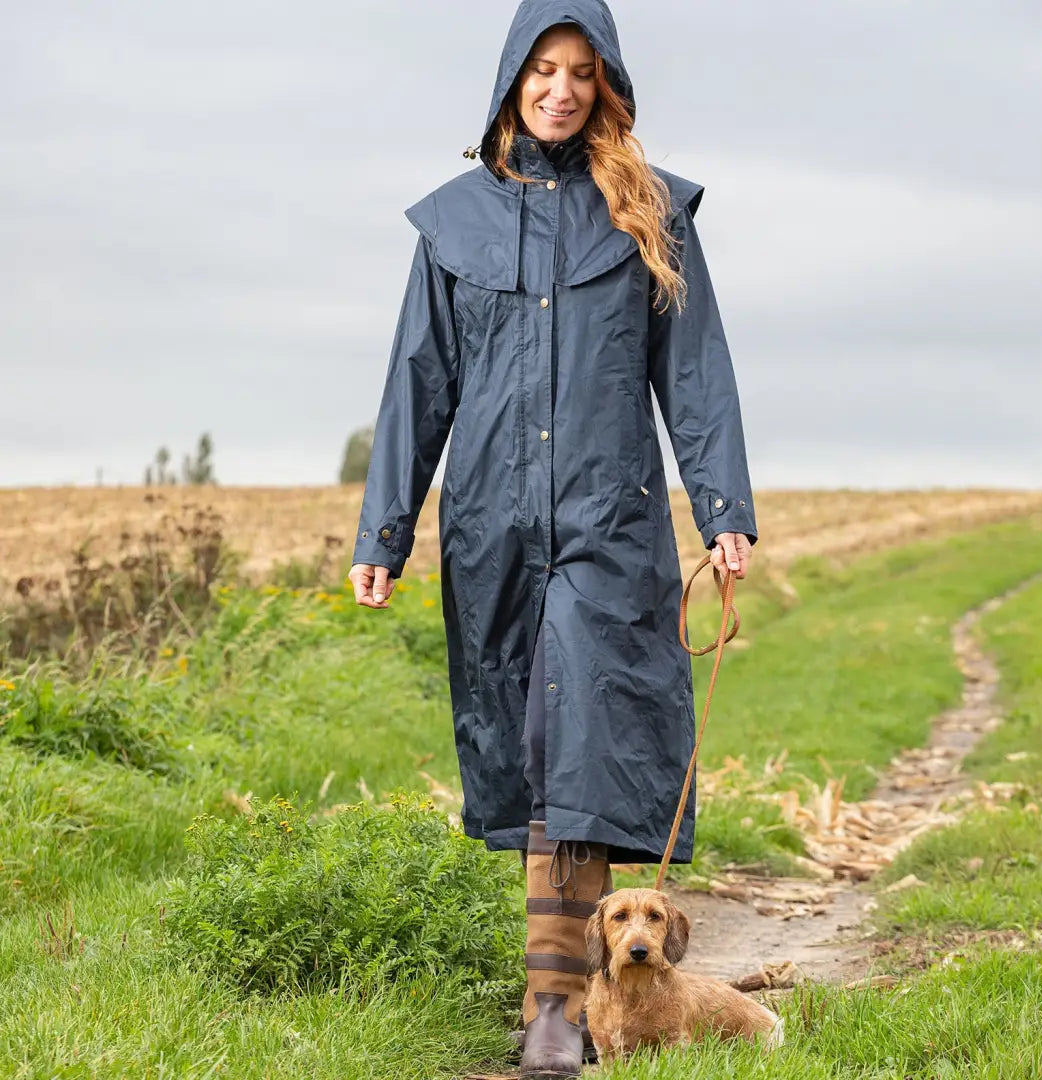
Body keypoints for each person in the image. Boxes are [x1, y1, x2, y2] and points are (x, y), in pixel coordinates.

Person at [349, 1, 756, 1074]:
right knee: (534, 758)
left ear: (607, 84)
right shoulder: (454, 224)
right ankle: (573, 1002)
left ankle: (554, 1013)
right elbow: (417, 381)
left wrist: (722, 511)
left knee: (578, 748)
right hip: (492, 526)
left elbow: (697, 372)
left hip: (607, 526)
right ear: (510, 82)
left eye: (582, 72)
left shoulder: (651, 211)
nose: (561, 89)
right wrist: (383, 529)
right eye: (543, 70)